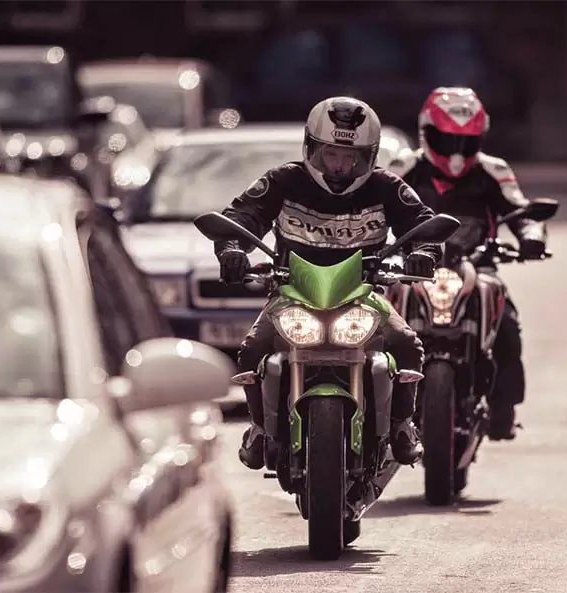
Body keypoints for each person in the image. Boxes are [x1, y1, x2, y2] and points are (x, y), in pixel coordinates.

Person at [211, 96, 443, 470]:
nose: (338, 165)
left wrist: (425, 252)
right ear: (311, 149)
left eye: (350, 157)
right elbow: (241, 216)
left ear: (368, 156)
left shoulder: (387, 186)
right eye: (330, 154)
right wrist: (232, 250)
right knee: (253, 348)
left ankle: (402, 424)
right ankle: (259, 427)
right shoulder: (282, 180)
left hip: (362, 296)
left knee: (406, 344)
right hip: (292, 293)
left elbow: (423, 224)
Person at [388, 86, 548, 441]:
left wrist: (532, 236)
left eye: (466, 142)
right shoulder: (403, 167)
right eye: (447, 141)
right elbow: (375, 210)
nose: (457, 154)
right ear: (426, 133)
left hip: (478, 266)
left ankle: (504, 407)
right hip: (412, 268)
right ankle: (377, 406)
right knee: (375, 324)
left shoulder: (494, 170)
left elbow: (521, 210)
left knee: (507, 323)